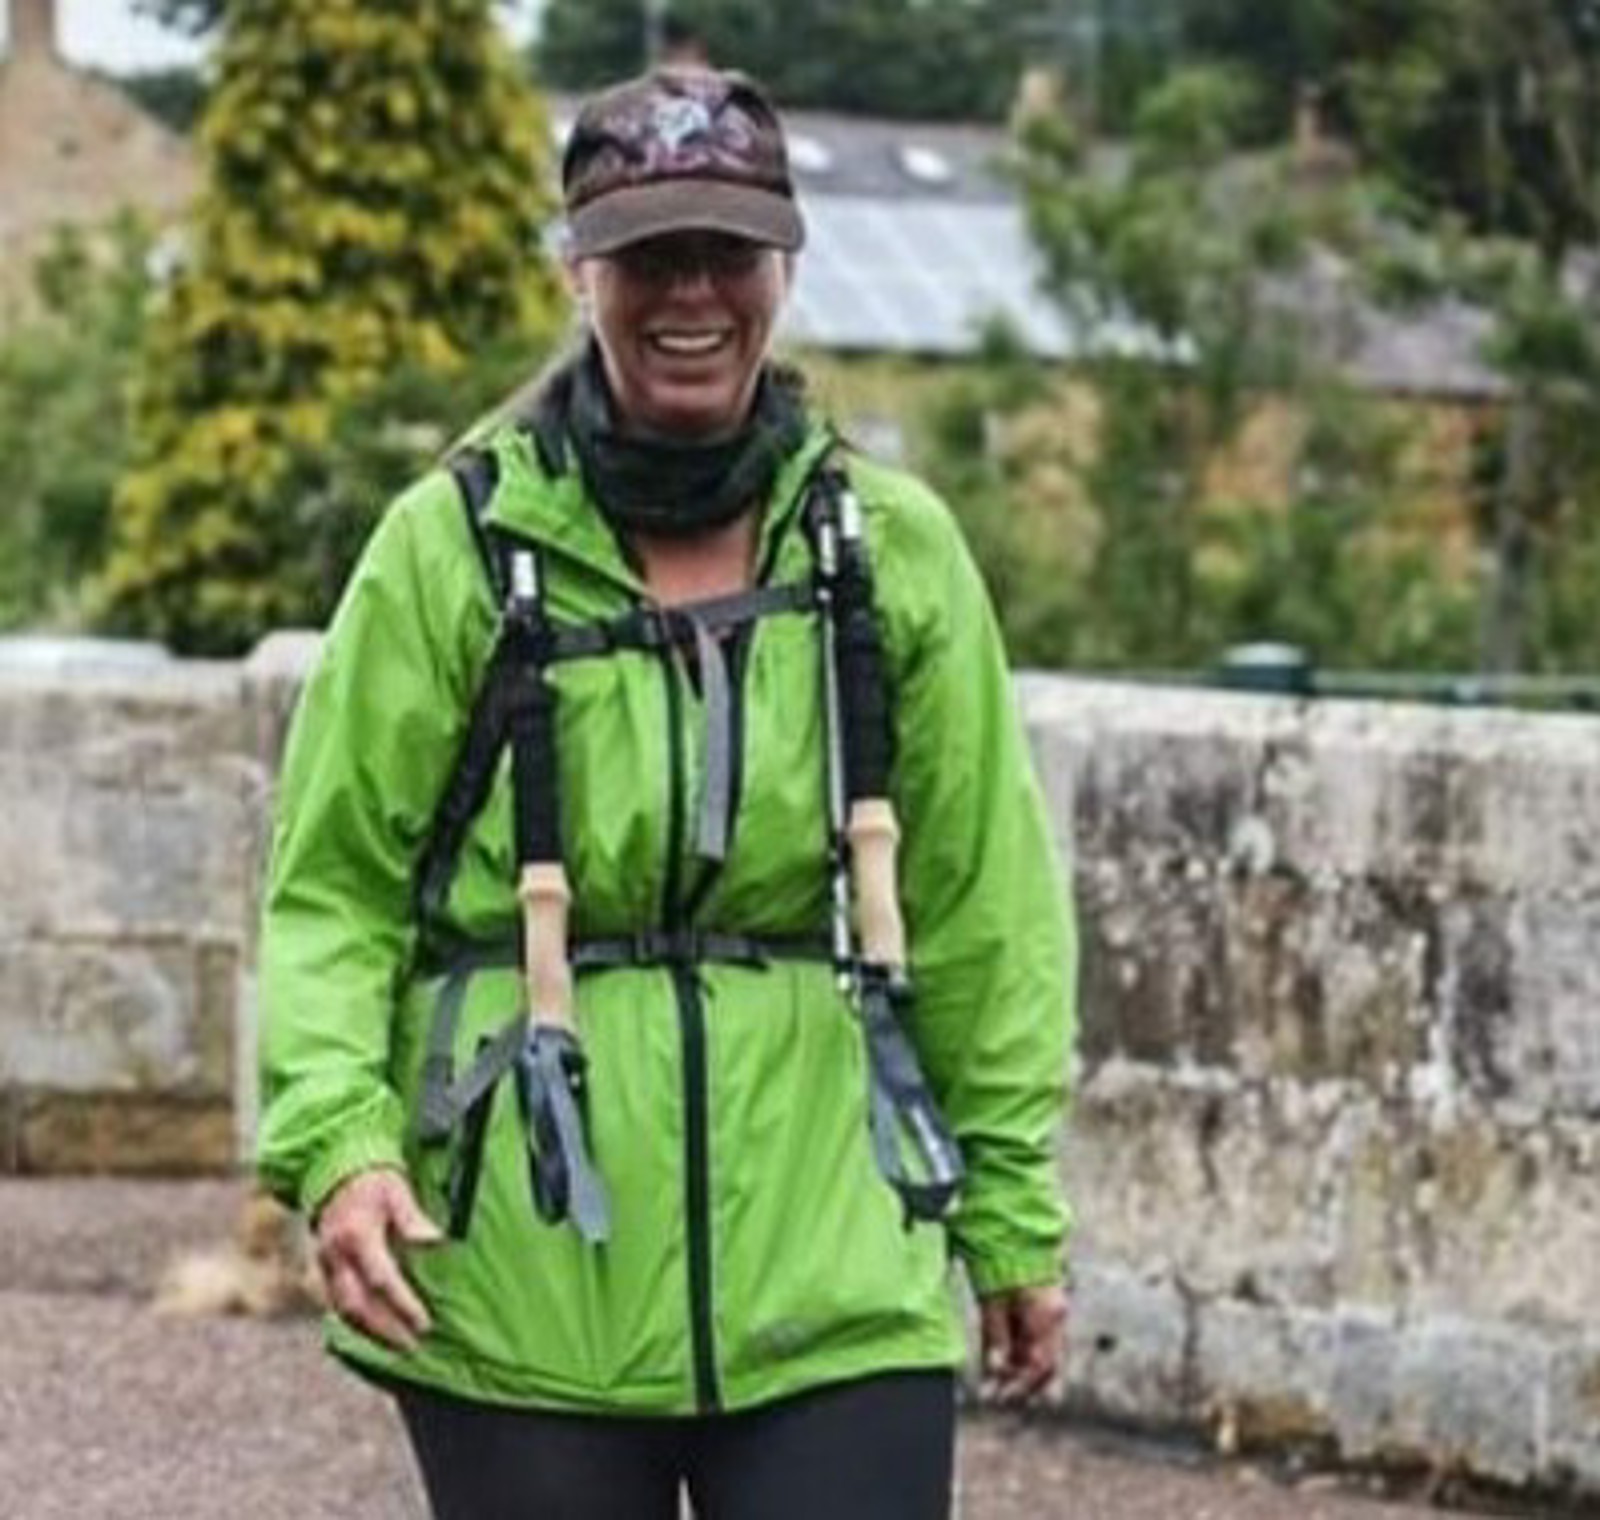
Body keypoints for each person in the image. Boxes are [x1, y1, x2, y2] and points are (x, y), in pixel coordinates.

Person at [256, 65, 1075, 1520]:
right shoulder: (449, 552)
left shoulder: (890, 556)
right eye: (648, 255)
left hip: (835, 1255)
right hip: (523, 1271)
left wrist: (1009, 1213)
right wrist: (341, 1147)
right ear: (582, 271)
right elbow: (333, 892)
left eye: (728, 252)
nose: (690, 292)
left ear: (785, 267)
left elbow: (980, 911)